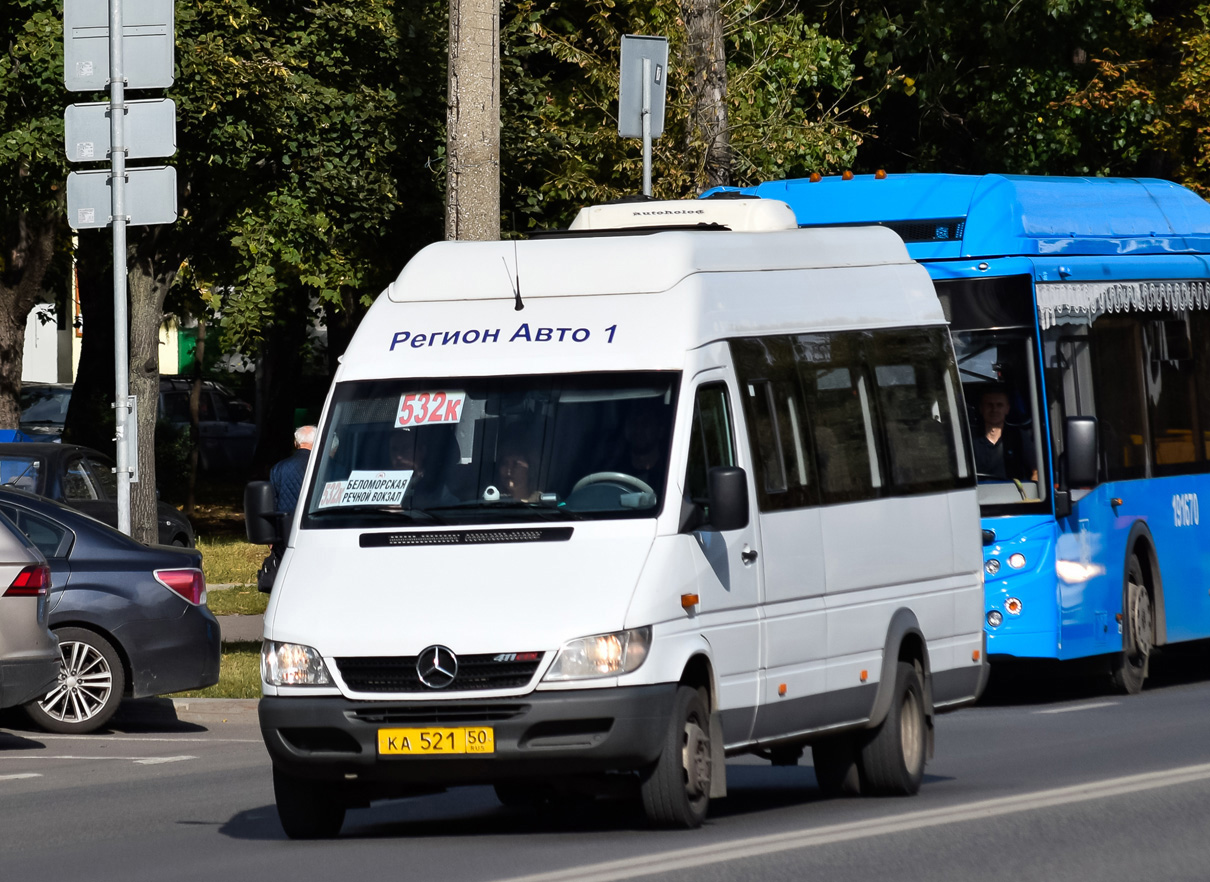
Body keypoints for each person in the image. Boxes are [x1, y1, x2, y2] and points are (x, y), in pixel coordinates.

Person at [260, 425, 315, 592]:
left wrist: (271, 536)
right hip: (313, 528)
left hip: (285, 532)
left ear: (295, 443)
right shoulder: (320, 467)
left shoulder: (279, 468)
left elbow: (272, 502)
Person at [972, 389, 1037, 482]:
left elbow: (1036, 472)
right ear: (981, 408)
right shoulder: (969, 439)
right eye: (989, 405)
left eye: (999, 405)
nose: (994, 409)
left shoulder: (1019, 437)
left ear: (1007, 409)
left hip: (1014, 494)